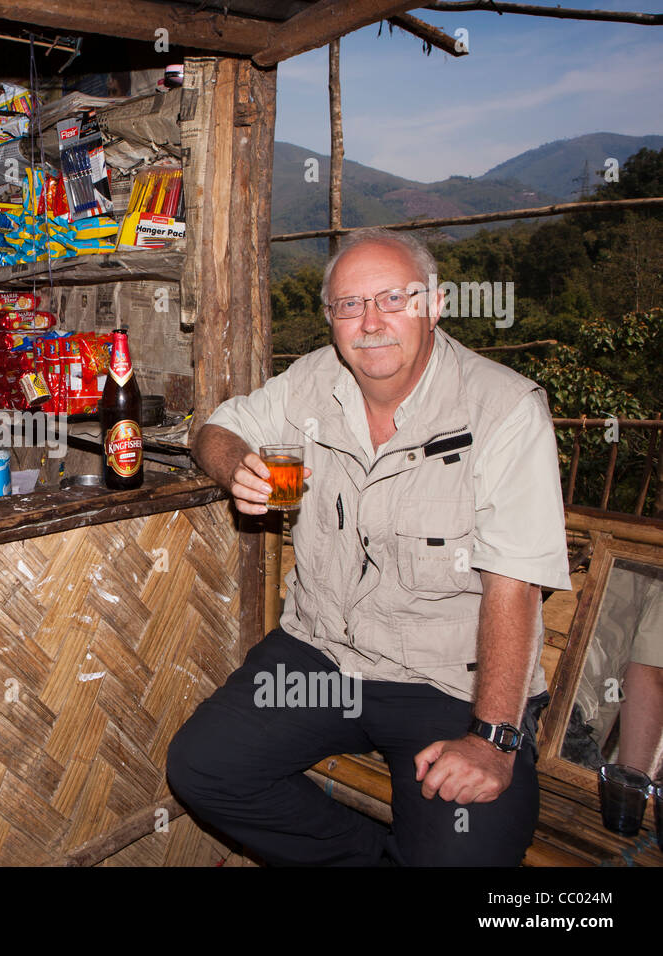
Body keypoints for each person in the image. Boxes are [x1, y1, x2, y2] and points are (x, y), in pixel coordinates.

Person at [166, 227, 572, 866]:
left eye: (392, 299)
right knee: (204, 768)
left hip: (447, 683)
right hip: (326, 657)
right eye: (350, 306)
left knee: (465, 855)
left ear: (433, 305)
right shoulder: (312, 381)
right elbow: (216, 428)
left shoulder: (503, 408)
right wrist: (235, 465)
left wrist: (493, 740)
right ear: (331, 320)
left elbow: (513, 587)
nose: (371, 322)